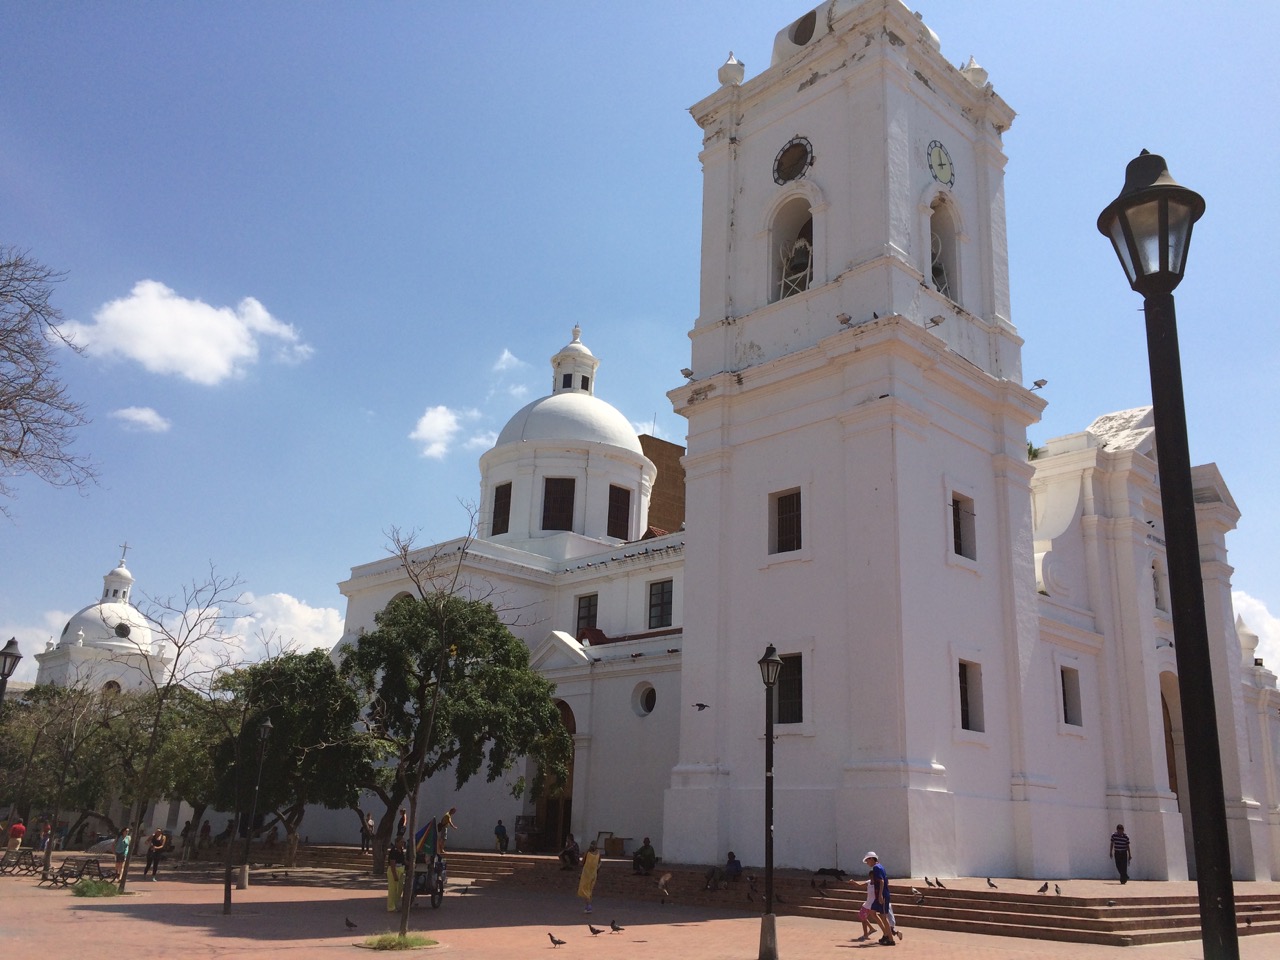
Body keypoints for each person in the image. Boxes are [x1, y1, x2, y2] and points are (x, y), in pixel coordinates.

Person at [863, 851, 895, 946]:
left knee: (883, 917)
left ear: (872, 859)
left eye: (867, 860)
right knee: (872, 912)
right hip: (880, 895)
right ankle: (886, 934)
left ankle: (890, 939)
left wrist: (881, 895)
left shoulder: (876, 868)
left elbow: (881, 881)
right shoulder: (879, 866)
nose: (867, 863)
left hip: (882, 895)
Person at [577, 839, 601, 913]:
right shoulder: (598, 853)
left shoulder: (587, 852)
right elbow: (600, 863)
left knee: (584, 890)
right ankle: (588, 905)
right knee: (590, 890)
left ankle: (588, 905)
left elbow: (583, 862)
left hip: (586, 874)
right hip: (593, 874)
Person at [386, 838, 407, 912]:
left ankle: (395, 904)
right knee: (393, 890)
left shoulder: (401, 850)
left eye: (403, 842)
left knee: (399, 889)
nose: (403, 843)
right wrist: (395, 875)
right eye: (401, 842)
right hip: (394, 871)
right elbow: (392, 863)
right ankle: (391, 907)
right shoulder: (393, 851)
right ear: (397, 842)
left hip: (401, 870)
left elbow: (403, 861)